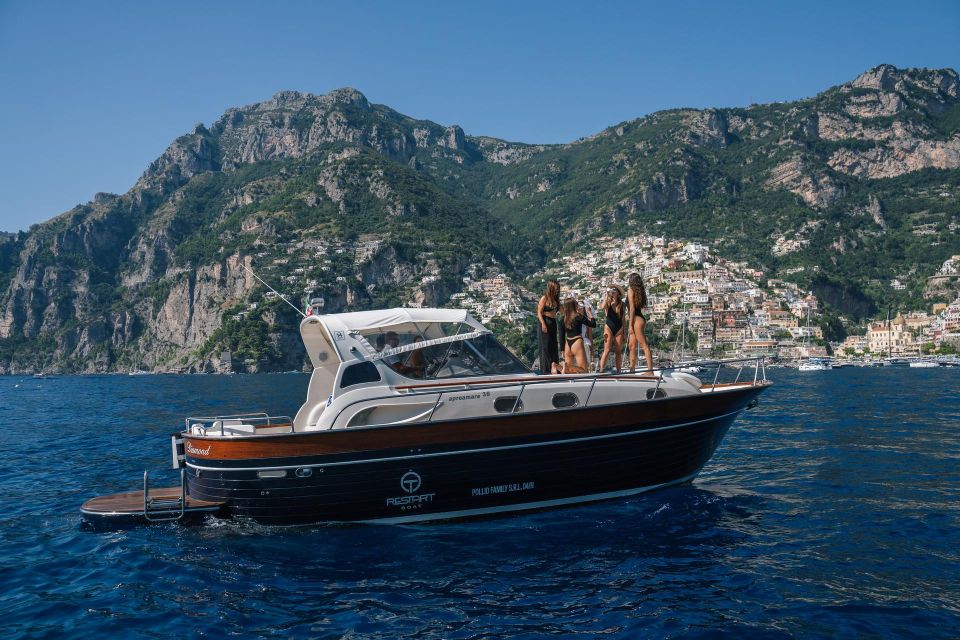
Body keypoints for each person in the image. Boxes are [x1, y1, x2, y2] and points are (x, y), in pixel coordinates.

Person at [558, 298, 596, 373]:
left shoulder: (562, 319)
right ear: (574, 306)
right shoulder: (578, 316)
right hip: (577, 342)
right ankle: (564, 366)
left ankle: (558, 366)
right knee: (584, 370)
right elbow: (593, 324)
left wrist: (562, 350)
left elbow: (561, 336)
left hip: (567, 344)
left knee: (569, 371)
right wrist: (589, 312)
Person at [627, 273, 653, 373]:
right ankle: (632, 369)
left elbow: (632, 309)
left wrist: (630, 325)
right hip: (639, 319)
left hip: (636, 320)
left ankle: (650, 371)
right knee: (632, 346)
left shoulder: (630, 291)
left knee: (644, 346)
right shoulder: (639, 291)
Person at [599, 285, 625, 373]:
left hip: (619, 327)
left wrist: (624, 331)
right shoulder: (608, 302)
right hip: (609, 326)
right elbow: (602, 307)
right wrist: (606, 296)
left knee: (618, 351)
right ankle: (601, 370)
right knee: (607, 349)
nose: (613, 292)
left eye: (615, 290)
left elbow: (621, 317)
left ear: (618, 293)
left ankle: (619, 371)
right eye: (611, 290)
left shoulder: (621, 303)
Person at [536, 280, 561, 374]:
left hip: (553, 322)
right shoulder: (544, 298)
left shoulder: (556, 300)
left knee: (553, 345)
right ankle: (545, 370)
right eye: (556, 288)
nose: (558, 290)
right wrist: (543, 323)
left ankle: (554, 367)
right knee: (545, 346)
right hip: (545, 321)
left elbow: (562, 310)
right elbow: (539, 312)